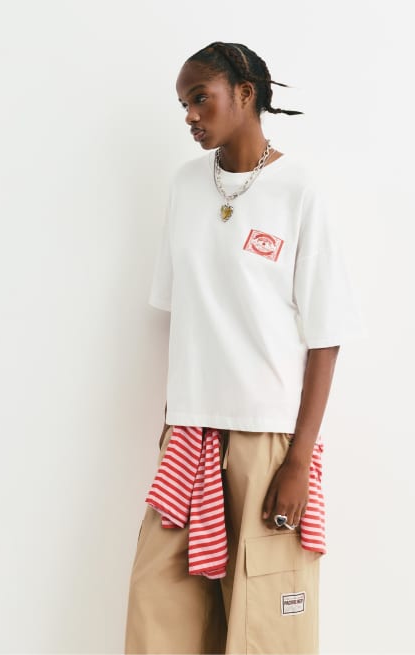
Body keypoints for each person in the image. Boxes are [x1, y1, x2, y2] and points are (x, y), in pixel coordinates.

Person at [124, 41, 364, 654]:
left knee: (265, 629)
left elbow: (326, 336)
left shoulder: (299, 189)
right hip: (190, 435)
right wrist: (173, 420)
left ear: (246, 93)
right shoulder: (186, 185)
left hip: (268, 439)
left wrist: (298, 461)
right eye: (183, 104)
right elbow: (183, 315)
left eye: (200, 98)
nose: (189, 115)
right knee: (160, 618)